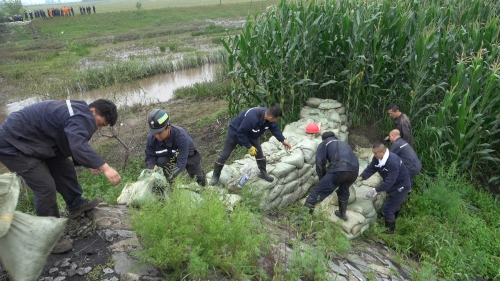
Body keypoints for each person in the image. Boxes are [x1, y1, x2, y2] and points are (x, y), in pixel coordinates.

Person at [0, 99, 122, 253]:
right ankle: (49, 237)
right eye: (100, 123)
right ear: (92, 111)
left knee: (65, 167)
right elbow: (78, 143)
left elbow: (70, 140)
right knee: (45, 187)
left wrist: (88, 162)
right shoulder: (82, 115)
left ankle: (75, 204)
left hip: (36, 140)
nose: (97, 128)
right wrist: (105, 167)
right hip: (12, 142)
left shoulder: (77, 112)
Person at [210, 105, 292, 185]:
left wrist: (283, 140)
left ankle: (263, 173)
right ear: (271, 118)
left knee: (259, 153)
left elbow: (275, 128)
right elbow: (241, 133)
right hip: (235, 133)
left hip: (251, 135)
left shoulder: (268, 117)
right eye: (276, 119)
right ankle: (215, 177)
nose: (275, 121)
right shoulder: (252, 118)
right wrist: (249, 146)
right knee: (225, 155)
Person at [303, 131, 359, 221]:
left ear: (324, 139)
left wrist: (322, 179)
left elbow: (320, 163)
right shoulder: (344, 143)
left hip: (339, 169)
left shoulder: (325, 143)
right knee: (343, 190)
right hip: (354, 171)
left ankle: (302, 220)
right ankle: (342, 214)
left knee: (316, 192)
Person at [360, 142, 411, 234]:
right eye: (373, 152)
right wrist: (362, 177)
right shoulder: (377, 158)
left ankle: (390, 231)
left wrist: (376, 190)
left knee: (388, 209)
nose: (374, 155)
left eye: (375, 153)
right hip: (394, 184)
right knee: (392, 205)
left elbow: (390, 181)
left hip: (401, 186)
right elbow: (371, 168)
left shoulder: (392, 161)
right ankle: (393, 218)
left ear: (383, 152)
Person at [145, 109, 206, 186]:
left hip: (188, 157)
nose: (157, 136)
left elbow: (181, 162)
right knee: (161, 162)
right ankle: (170, 186)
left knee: (198, 177)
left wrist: (171, 176)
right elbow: (150, 157)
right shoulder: (151, 138)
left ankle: (203, 187)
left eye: (159, 132)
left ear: (168, 128)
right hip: (168, 156)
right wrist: (153, 170)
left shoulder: (181, 137)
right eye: (154, 133)